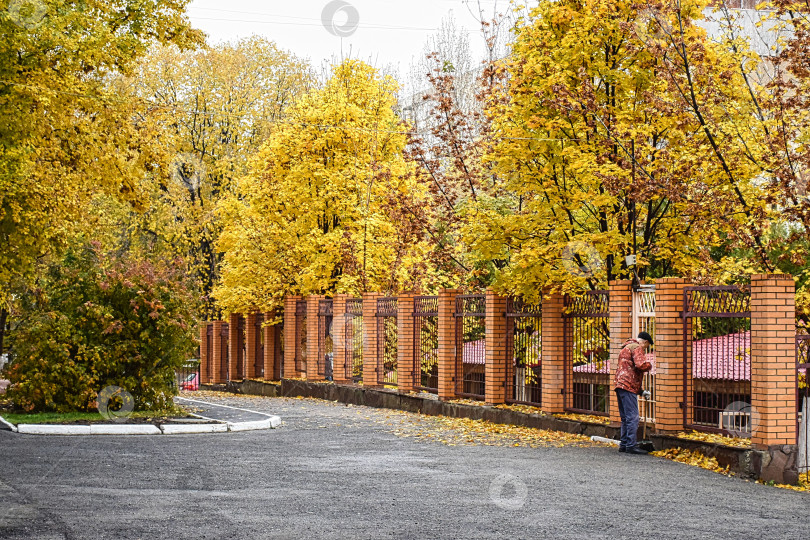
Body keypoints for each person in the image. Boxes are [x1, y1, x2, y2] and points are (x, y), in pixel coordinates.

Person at [614, 331, 653, 454]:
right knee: (633, 417)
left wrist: (641, 392)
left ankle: (624, 444)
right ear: (645, 342)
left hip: (620, 385)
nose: (645, 349)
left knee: (625, 417)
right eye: (646, 347)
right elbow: (640, 365)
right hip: (628, 386)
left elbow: (629, 370)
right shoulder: (637, 347)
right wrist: (649, 365)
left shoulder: (626, 347)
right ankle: (631, 445)